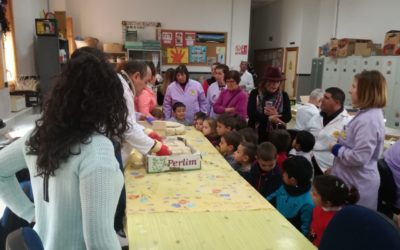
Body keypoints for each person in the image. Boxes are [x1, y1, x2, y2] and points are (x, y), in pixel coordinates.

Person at [0, 48, 129, 249]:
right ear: (108, 102)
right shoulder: (96, 150)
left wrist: (30, 213)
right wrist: (29, 212)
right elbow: (99, 241)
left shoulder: (38, 135)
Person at [331, 70, 387, 210]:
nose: (350, 91)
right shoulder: (366, 114)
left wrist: (337, 149)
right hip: (350, 178)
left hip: (358, 183)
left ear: (366, 91)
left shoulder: (369, 120)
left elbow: (359, 157)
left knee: (352, 226)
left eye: (354, 87)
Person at [117, 61, 170, 164]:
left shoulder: (123, 86)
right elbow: (128, 128)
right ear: (136, 76)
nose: (146, 87)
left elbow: (127, 118)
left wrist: (147, 131)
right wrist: (157, 147)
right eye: (146, 82)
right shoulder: (122, 91)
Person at [304, 87, 352, 175]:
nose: (321, 99)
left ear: (337, 102)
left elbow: (347, 150)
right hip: (307, 162)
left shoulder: (347, 122)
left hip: (327, 168)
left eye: (326, 97)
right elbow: (306, 135)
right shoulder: (316, 117)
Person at [267, 156, 314, 236]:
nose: (282, 174)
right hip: (273, 226)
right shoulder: (286, 186)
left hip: (288, 237)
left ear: (293, 180)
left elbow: (304, 230)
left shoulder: (308, 203)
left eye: (285, 172)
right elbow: (270, 198)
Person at [309, 175, 359, 247]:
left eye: (314, 194)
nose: (310, 193)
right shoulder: (319, 206)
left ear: (327, 203)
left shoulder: (334, 222)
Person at [248, 67, 292, 143]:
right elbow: (251, 114)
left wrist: (276, 114)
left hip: (277, 136)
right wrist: (268, 118)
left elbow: (288, 117)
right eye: (271, 81)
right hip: (256, 134)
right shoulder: (255, 93)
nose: (274, 84)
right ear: (265, 82)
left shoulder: (284, 95)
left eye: (277, 82)